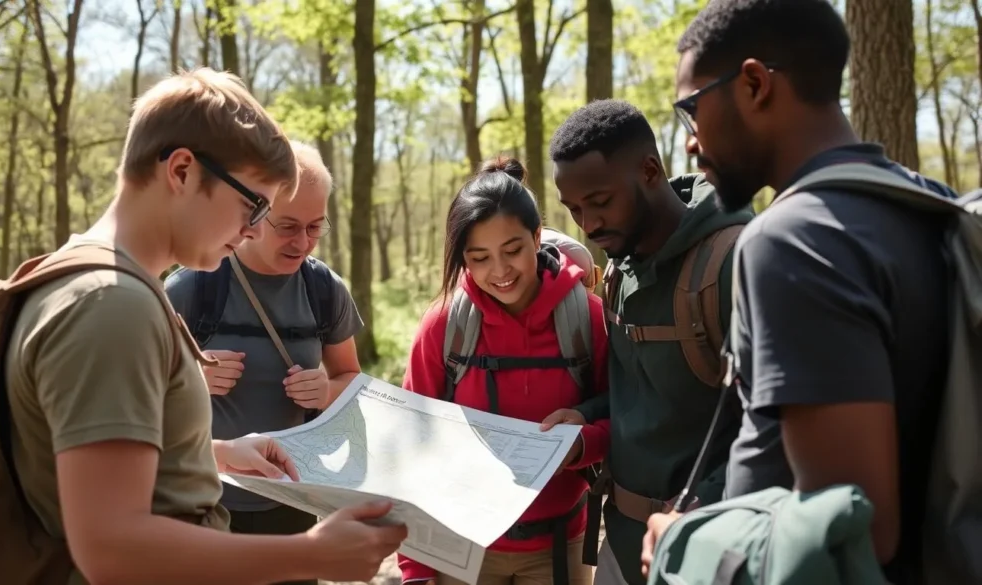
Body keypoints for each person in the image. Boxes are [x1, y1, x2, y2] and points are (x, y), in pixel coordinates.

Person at [2, 68, 406, 585]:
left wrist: (214, 454)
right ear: (183, 171)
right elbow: (110, 547)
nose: (253, 229)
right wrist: (311, 555)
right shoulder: (113, 305)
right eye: (252, 203)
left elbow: (109, 471)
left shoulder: (91, 275)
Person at [641, 1, 959, 583]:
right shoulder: (922, 203)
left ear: (755, 83)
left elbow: (850, 530)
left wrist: (685, 540)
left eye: (692, 110)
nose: (688, 143)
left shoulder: (795, 240)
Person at [543, 99, 753, 585]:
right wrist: (585, 417)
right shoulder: (619, 271)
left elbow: (777, 425)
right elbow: (635, 392)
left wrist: (704, 510)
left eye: (600, 201)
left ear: (650, 169)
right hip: (619, 541)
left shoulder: (734, 263)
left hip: (710, 549)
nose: (588, 224)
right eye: (575, 209)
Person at [398, 157, 611, 585]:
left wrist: (583, 443)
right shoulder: (444, 325)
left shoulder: (586, 317)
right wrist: (416, 571)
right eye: (479, 258)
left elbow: (627, 413)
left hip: (559, 546)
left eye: (513, 250)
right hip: (462, 546)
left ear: (537, 237)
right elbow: (411, 443)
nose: (499, 271)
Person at [164, 141, 362, 584]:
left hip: (292, 503)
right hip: (203, 504)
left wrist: (327, 389)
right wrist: (192, 376)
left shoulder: (325, 290)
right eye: (288, 226)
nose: (303, 243)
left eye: (315, 227)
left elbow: (352, 378)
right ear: (255, 213)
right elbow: (142, 399)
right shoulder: (192, 286)